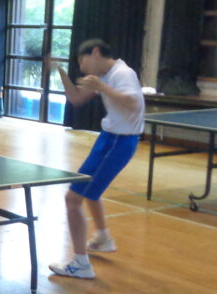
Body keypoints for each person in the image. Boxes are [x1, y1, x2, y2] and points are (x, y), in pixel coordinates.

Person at [49, 39, 145, 280]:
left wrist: (102, 87)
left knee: (73, 199)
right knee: (90, 192)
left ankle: (80, 264)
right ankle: (102, 237)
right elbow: (76, 98)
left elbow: (134, 103)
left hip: (119, 142)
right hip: (108, 139)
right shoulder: (104, 75)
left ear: (95, 53)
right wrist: (60, 71)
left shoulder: (122, 73)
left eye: (82, 62)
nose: (82, 68)